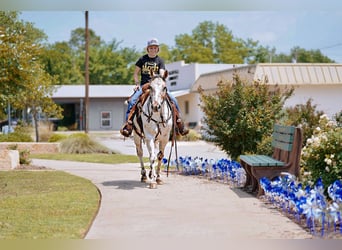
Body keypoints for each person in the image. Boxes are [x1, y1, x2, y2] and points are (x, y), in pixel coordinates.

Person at [120, 38, 189, 137]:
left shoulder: (160, 60)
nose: (153, 49)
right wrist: (136, 83)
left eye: (155, 48)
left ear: (157, 49)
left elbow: (161, 72)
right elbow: (135, 73)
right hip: (144, 86)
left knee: (174, 99)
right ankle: (128, 125)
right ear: (148, 49)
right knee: (132, 101)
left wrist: (161, 78)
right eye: (151, 47)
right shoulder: (142, 59)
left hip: (157, 85)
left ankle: (179, 124)